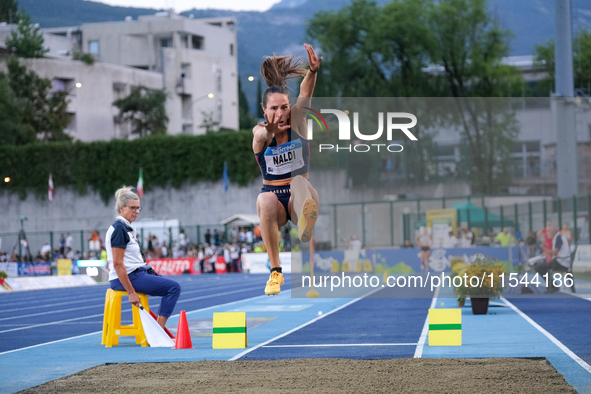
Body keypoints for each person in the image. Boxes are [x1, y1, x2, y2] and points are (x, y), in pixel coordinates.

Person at [253, 43, 322, 295]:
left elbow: (306, 95)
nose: (280, 113)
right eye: (273, 108)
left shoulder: (299, 122)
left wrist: (312, 72)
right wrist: (268, 131)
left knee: (298, 182)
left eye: (284, 107)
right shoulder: (260, 133)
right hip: (277, 204)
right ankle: (276, 272)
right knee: (264, 199)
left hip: (300, 198)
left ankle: (306, 223)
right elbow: (259, 134)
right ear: (265, 110)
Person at [106, 186, 181, 329]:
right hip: (127, 277)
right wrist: (131, 292)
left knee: (168, 285)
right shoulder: (119, 229)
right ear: (122, 208)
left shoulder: (127, 228)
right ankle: (159, 330)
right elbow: (117, 264)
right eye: (132, 208)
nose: (136, 211)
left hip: (136, 273)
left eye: (138, 208)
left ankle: (158, 328)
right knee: (173, 288)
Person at [532, 223, 571, 293]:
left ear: (554, 231)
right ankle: (552, 286)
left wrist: (544, 248)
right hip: (560, 261)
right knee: (541, 266)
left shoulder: (559, 237)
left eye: (548, 231)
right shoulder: (557, 237)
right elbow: (554, 253)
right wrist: (546, 254)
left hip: (562, 262)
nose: (547, 233)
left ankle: (553, 286)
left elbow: (555, 252)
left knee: (539, 268)